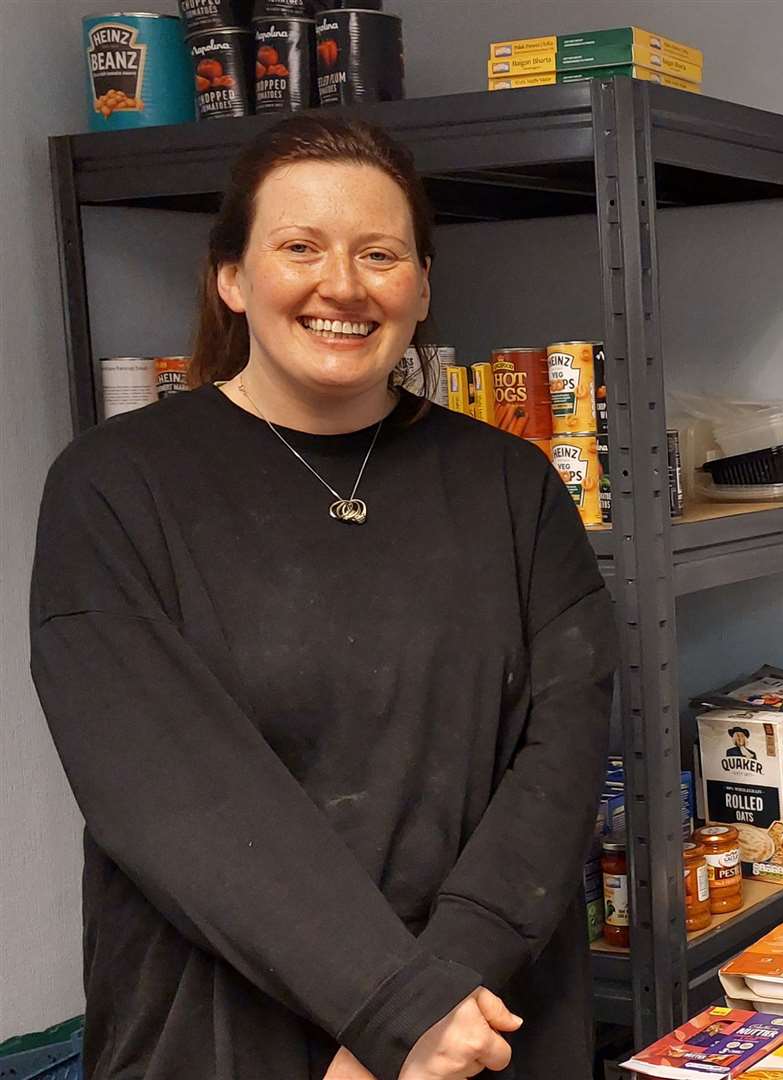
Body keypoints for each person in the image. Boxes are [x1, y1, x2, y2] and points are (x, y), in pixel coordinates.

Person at [29, 114, 616, 1079]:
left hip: (477, 1026)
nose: (341, 285)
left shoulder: (512, 484)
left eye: (378, 253)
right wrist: (386, 1005)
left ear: (421, 286)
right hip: (224, 1031)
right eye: (299, 247)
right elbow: (167, 788)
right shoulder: (113, 485)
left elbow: (560, 757)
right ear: (231, 276)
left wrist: (434, 1006)